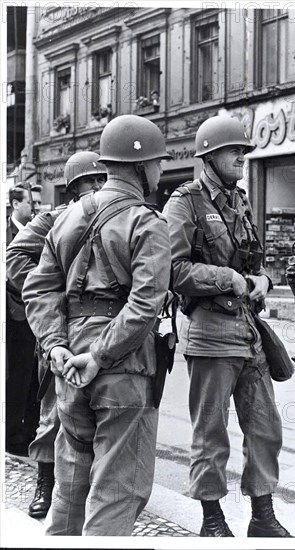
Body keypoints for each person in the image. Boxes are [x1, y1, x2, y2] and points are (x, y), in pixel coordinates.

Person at [22, 115, 172, 536]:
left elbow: (38, 289)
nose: (160, 172)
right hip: (120, 366)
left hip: (69, 363)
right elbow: (145, 303)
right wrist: (100, 355)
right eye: (157, 163)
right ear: (140, 165)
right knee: (118, 490)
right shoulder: (147, 221)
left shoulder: (66, 218)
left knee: (70, 488)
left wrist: (56, 347)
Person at [163, 115, 294, 538]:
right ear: (209, 156)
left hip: (248, 330)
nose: (242, 156)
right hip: (210, 332)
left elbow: (255, 261)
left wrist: (263, 280)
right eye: (234, 150)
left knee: (265, 427)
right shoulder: (185, 202)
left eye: (243, 150)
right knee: (211, 432)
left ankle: (262, 516)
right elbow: (171, 269)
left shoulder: (240, 200)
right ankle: (213, 521)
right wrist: (227, 279)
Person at [6, 151, 107, 519]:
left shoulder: (116, 218)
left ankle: (95, 486)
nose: (96, 187)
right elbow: (14, 258)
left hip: (105, 332)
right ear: (72, 188)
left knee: (103, 410)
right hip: (60, 330)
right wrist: (54, 289)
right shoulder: (53, 219)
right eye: (88, 182)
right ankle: (46, 482)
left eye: (101, 181)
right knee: (53, 410)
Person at [5, 183, 43, 456]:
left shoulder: (38, 231)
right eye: (30, 202)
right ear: (16, 204)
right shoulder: (6, 233)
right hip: (14, 315)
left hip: (35, 313)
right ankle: (12, 435)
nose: (35, 207)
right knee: (16, 375)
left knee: (34, 376)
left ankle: (29, 430)